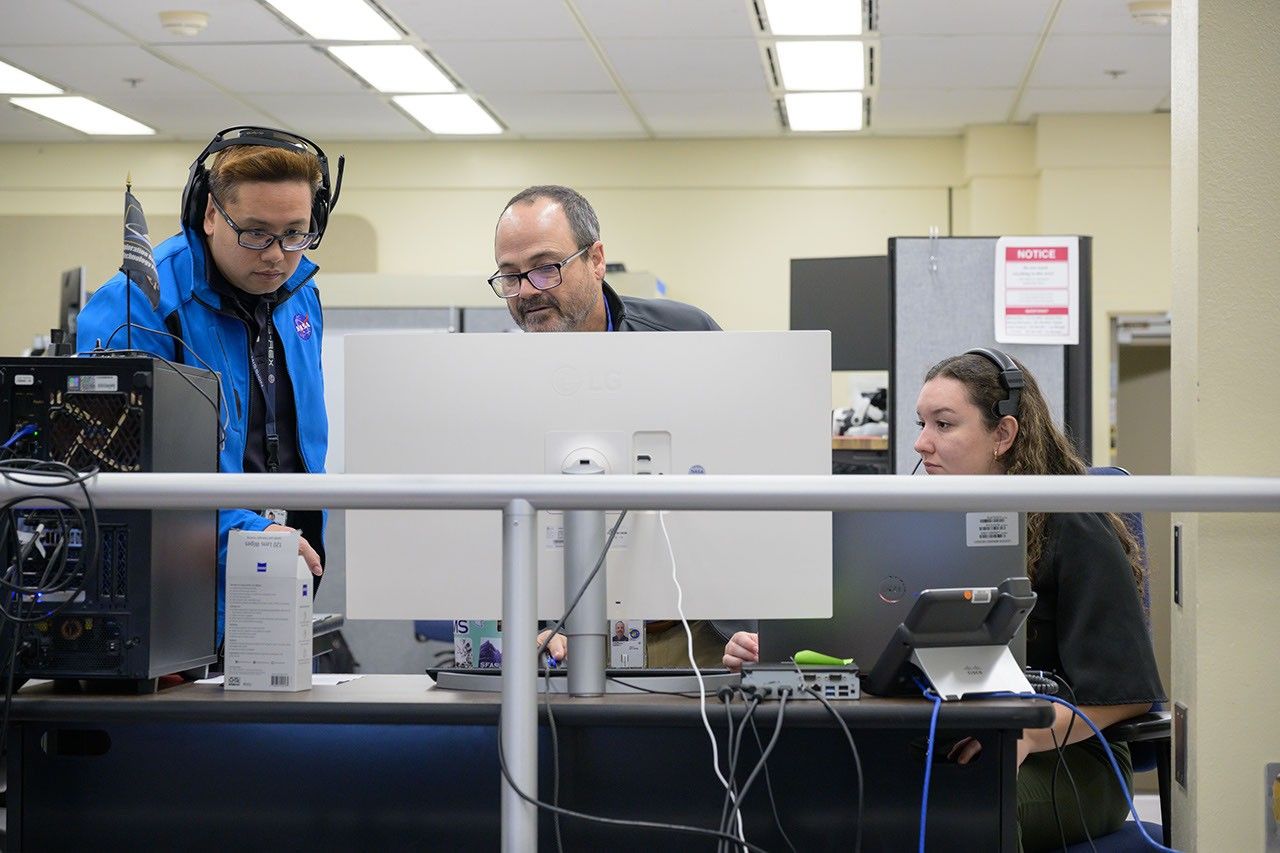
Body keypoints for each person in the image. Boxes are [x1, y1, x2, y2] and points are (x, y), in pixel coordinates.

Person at [723, 349, 1165, 850]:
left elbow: (1125, 696)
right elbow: (869, 643)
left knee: (958, 805)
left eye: (944, 424)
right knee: (827, 793)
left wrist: (1028, 737)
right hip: (946, 740)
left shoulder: (1074, 524)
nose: (920, 442)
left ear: (1003, 435)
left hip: (1065, 758)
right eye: (921, 423)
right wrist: (780, 653)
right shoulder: (919, 526)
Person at [77, 126, 343, 651]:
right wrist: (243, 533)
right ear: (210, 214)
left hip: (281, 566)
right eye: (256, 233)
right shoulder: (139, 305)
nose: (276, 256)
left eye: (296, 233)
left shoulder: (299, 297)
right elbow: (122, 476)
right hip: (175, 597)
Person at [492, 184, 734, 668]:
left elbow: (740, 474)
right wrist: (534, 624)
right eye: (511, 276)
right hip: (563, 639)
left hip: (687, 630)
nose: (527, 292)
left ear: (596, 259)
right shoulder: (494, 380)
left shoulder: (684, 338)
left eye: (545, 268)